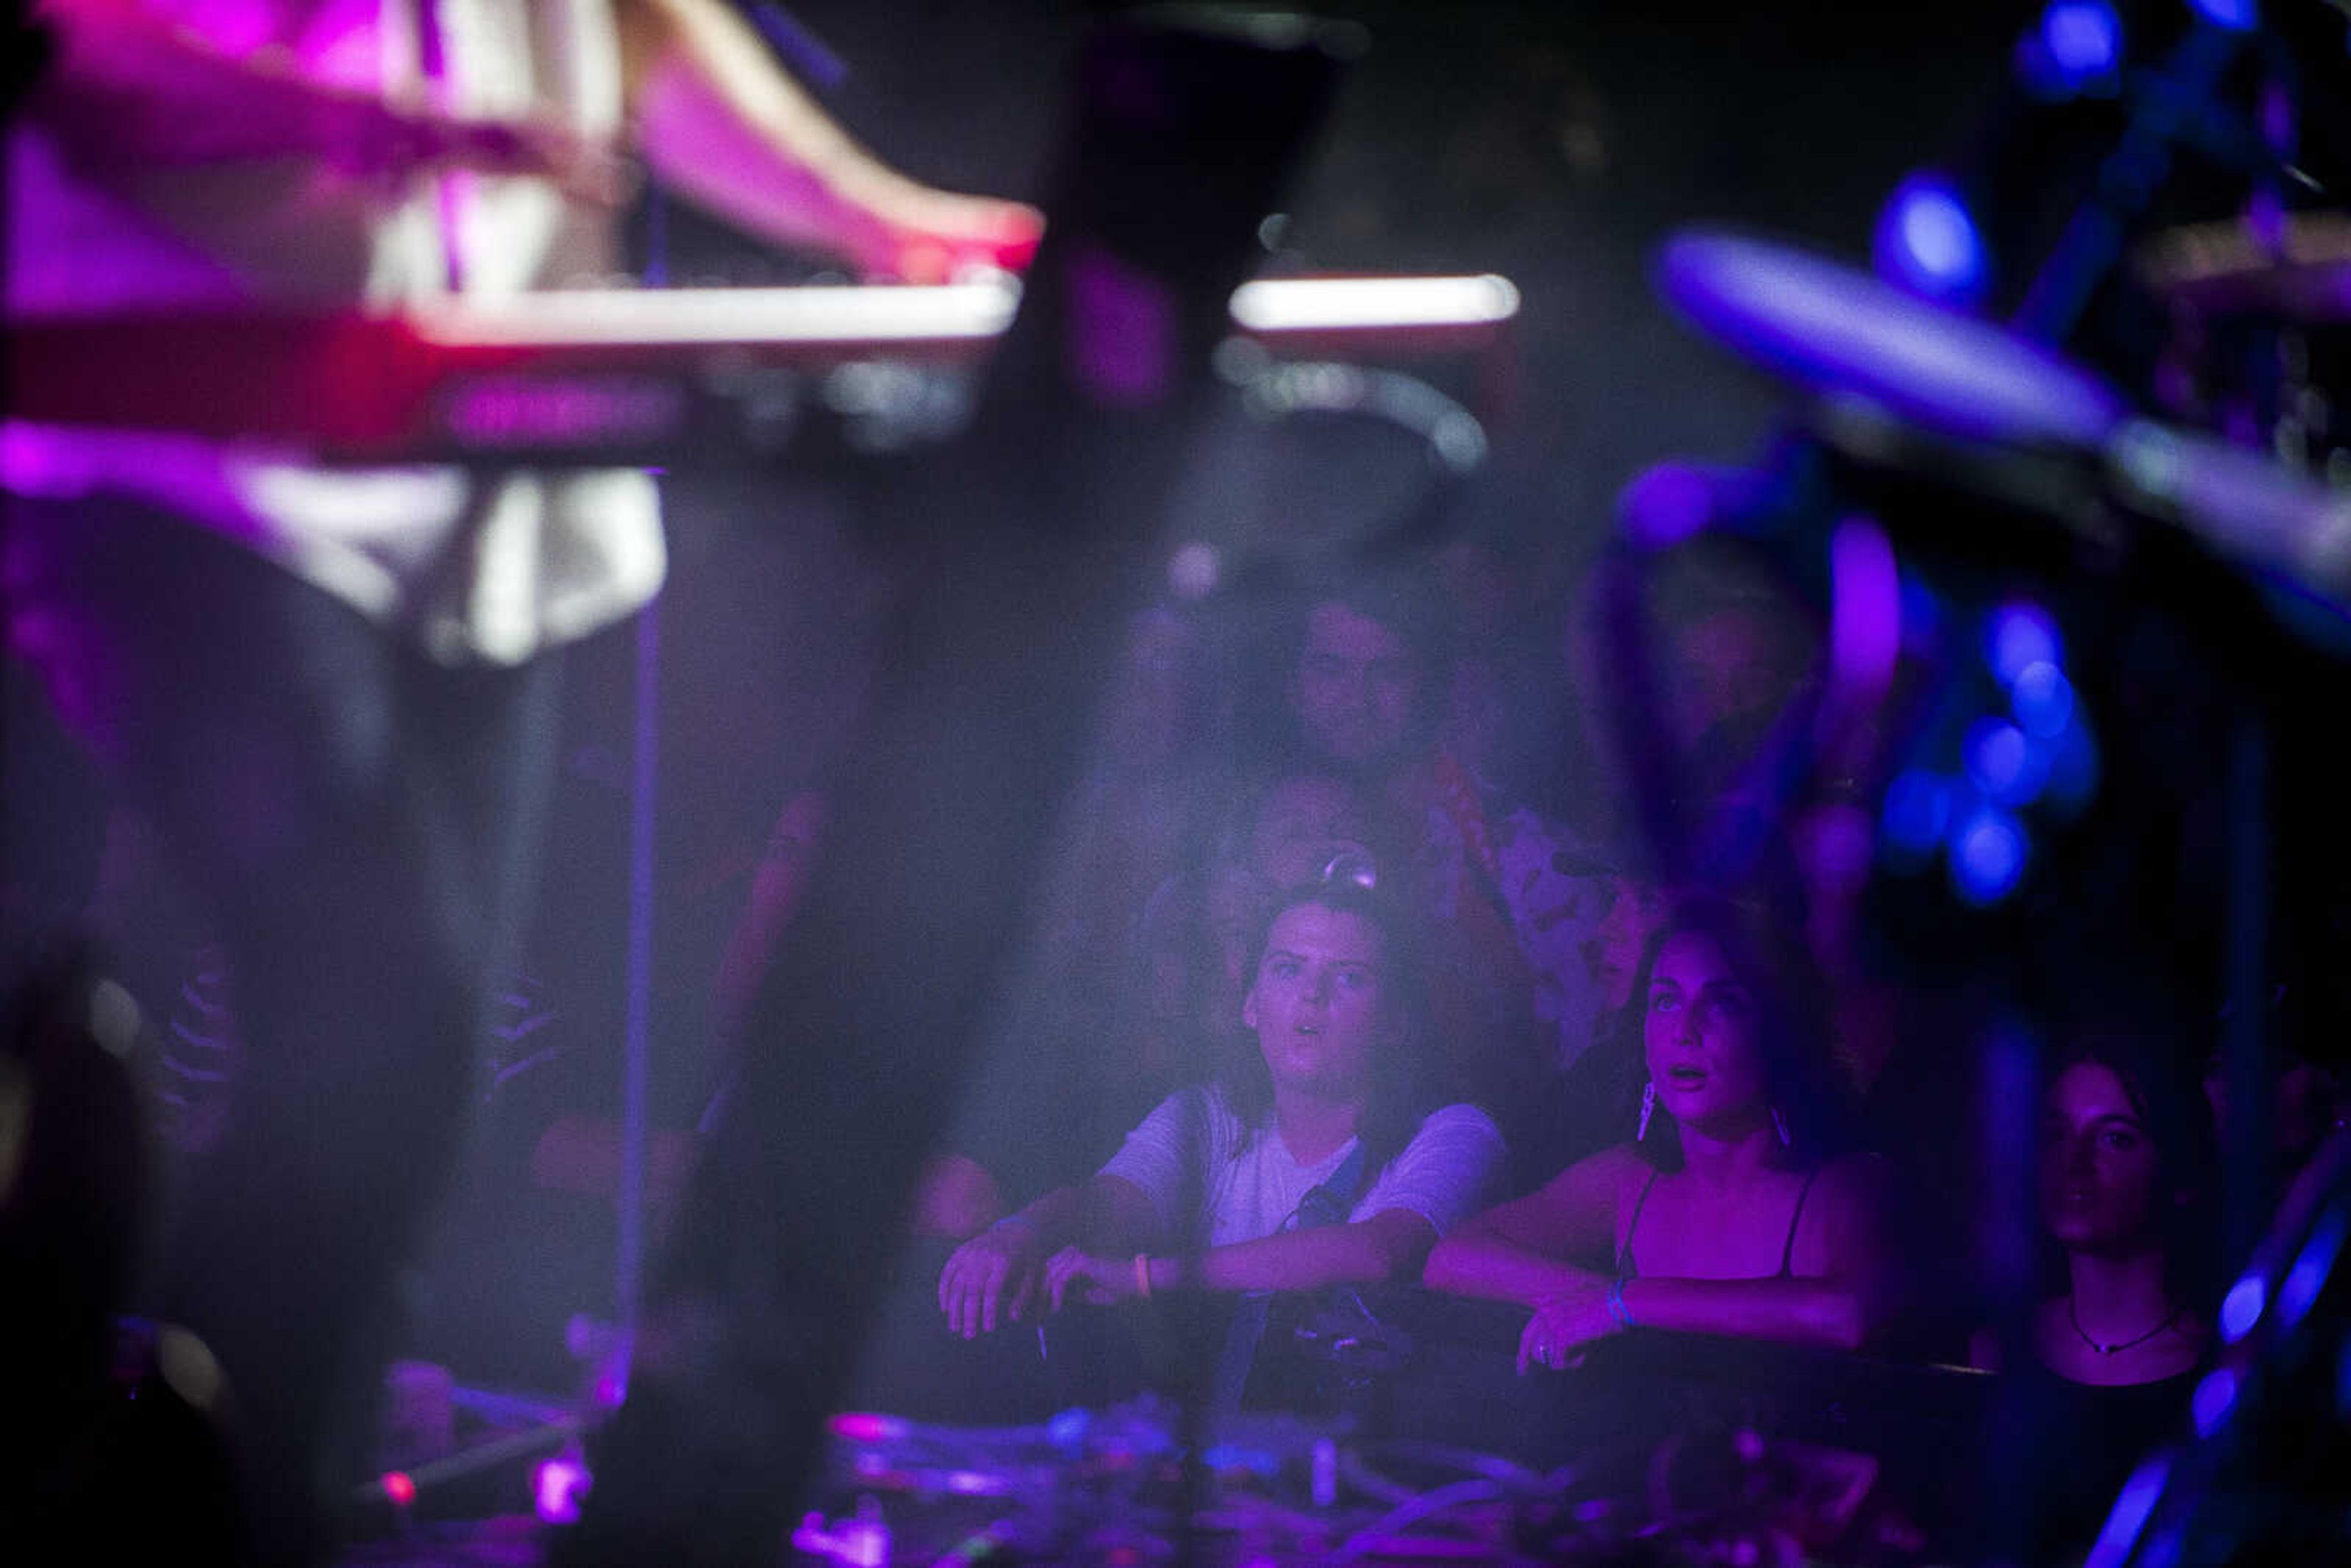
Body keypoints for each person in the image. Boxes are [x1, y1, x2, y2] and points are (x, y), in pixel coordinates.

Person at [5, 2, 1037, 1560]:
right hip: (194, 448)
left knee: (403, 1083)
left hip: (481, 474)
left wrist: (870, 220)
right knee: (370, 1021)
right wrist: (382, 126)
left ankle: (241, 1499)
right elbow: (78, 63)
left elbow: (631, 26)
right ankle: (172, 1506)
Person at [936, 874, 1504, 1354]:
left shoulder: (1455, 1132)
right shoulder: (1207, 1113)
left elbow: (1378, 1251)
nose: (1313, 995)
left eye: (1350, 976)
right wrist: (1021, 1232)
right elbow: (1108, 1206)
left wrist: (1145, 1277)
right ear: (1251, 1005)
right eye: (1287, 968)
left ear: (1396, 1023)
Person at [1423, 895, 1884, 1371]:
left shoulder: (1844, 1186)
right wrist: (1600, 1300)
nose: (1684, 1030)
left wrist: (1628, 1303)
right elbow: (1453, 1257)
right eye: (1666, 1001)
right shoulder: (1629, 1177)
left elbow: (1843, 1313)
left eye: (1723, 1003)